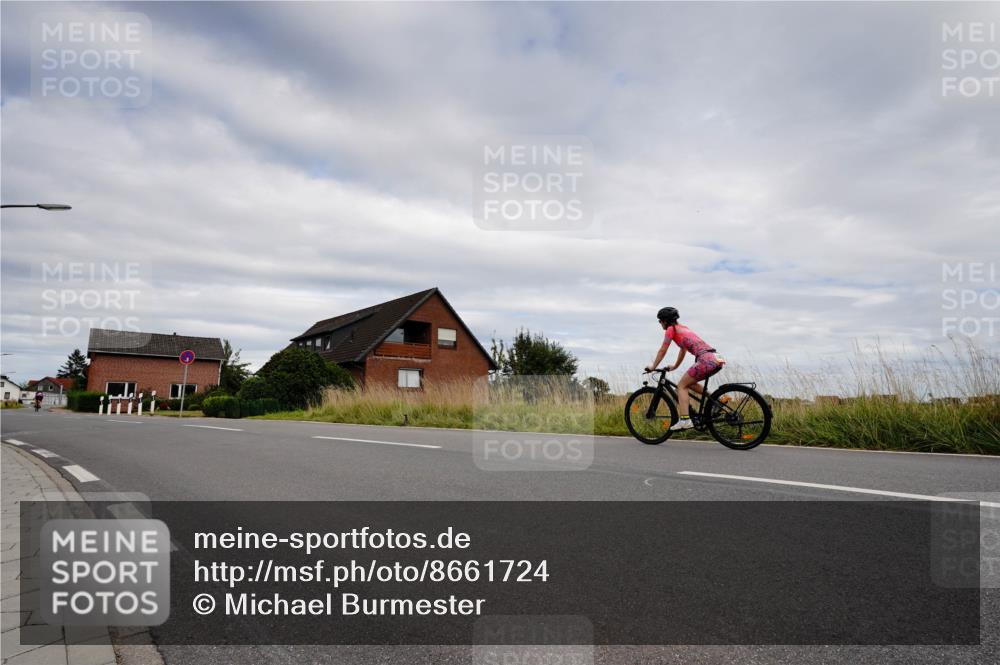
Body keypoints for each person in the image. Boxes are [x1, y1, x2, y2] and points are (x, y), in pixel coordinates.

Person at [644, 307, 725, 430]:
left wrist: (653, 366)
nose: (660, 323)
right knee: (690, 383)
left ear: (665, 321)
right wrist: (675, 366)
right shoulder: (683, 328)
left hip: (705, 359)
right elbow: (683, 349)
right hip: (715, 358)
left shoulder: (671, 329)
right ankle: (717, 400)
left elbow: (663, 349)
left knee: (681, 386)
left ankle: (685, 420)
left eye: (660, 321)